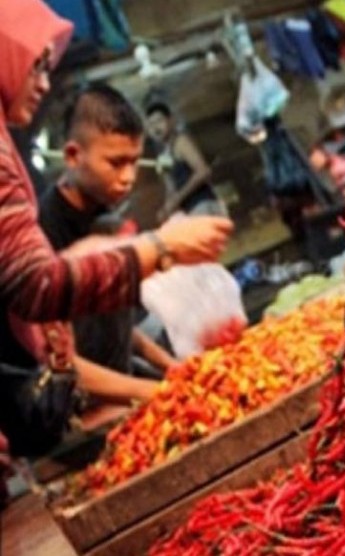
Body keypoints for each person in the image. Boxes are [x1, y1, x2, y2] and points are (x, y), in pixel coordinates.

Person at [0, 0, 232, 460]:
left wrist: (174, 376)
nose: (44, 83)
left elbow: (97, 327)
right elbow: (36, 285)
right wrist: (159, 249)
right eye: (37, 64)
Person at [39, 84, 179, 386]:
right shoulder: (43, 232)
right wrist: (152, 394)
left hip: (123, 380)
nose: (128, 178)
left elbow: (112, 324)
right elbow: (56, 357)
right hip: (81, 409)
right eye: (116, 163)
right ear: (74, 156)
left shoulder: (105, 217)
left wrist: (172, 368)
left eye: (134, 161)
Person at [145, 102, 225, 221]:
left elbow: (203, 171)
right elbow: (170, 187)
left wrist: (178, 198)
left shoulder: (181, 141)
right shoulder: (162, 157)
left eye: (159, 121)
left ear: (171, 120)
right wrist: (166, 209)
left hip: (203, 204)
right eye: (151, 125)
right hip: (188, 211)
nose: (156, 128)